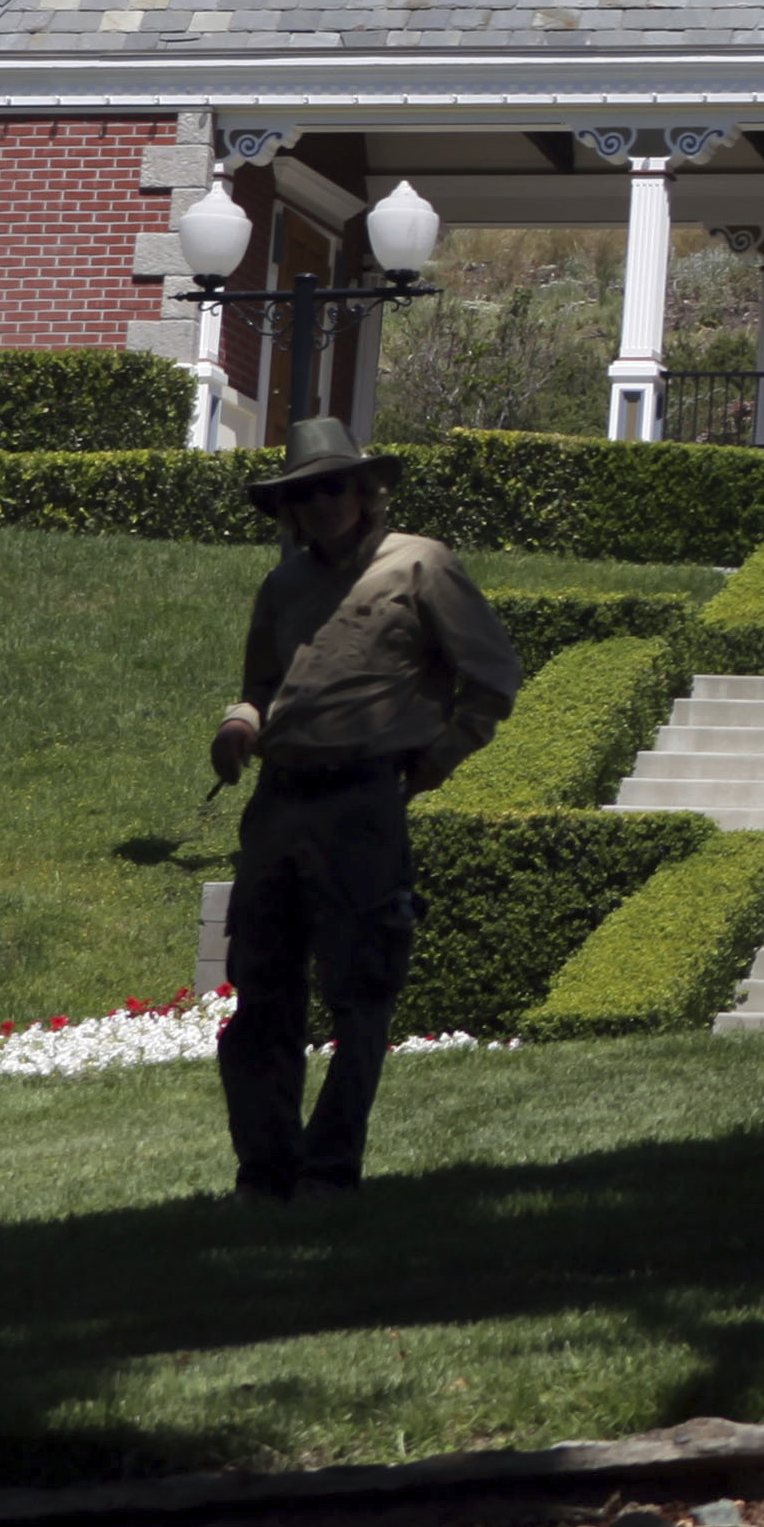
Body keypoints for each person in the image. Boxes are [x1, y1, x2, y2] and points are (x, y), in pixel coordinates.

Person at [212, 418, 520, 1200]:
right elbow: (261, 686)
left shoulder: (421, 564)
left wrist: (434, 763)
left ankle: (330, 1168)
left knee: (360, 990)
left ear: (365, 490)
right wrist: (239, 725)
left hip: (363, 800)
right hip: (279, 801)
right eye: (305, 493)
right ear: (288, 508)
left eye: (335, 486)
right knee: (260, 989)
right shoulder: (283, 585)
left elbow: (492, 679)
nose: (321, 503)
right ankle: (263, 1172)